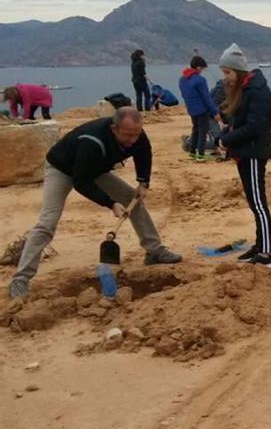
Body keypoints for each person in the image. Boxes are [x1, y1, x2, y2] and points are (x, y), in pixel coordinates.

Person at [7, 107, 182, 298]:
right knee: (47, 222)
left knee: (133, 199)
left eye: (136, 134)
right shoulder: (93, 141)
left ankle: (154, 251)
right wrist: (110, 204)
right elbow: (81, 181)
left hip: (95, 168)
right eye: (128, 135)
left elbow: (144, 152)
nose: (133, 140)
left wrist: (143, 181)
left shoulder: (136, 134)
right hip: (62, 169)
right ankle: (20, 279)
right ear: (114, 129)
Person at [217, 43, 271, 267]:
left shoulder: (257, 91)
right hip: (244, 151)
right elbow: (238, 121)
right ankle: (260, 245)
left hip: (253, 152)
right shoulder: (246, 90)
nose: (226, 78)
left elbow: (254, 127)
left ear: (239, 72)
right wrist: (225, 134)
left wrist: (226, 140)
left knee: (259, 202)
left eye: (228, 73)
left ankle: (267, 253)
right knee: (253, 201)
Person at [179, 56, 222, 161]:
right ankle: (201, 154)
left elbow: (184, 94)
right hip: (202, 109)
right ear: (198, 67)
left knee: (195, 130)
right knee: (203, 131)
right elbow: (206, 97)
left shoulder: (182, 79)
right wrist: (214, 112)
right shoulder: (200, 80)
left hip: (191, 109)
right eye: (202, 68)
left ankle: (193, 152)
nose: (202, 71)